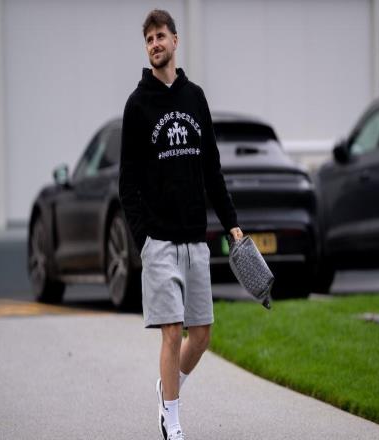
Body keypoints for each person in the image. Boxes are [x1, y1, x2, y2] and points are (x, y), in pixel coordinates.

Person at [119, 9, 243, 440]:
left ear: (175, 40)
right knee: (172, 331)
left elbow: (212, 170)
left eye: (160, 36)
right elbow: (127, 184)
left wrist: (232, 224)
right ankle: (171, 421)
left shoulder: (195, 98)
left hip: (196, 239)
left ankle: (167, 388)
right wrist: (143, 239)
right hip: (159, 242)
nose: (155, 44)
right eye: (149, 39)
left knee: (201, 335)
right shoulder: (138, 105)